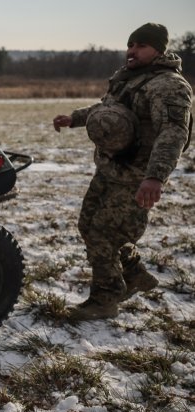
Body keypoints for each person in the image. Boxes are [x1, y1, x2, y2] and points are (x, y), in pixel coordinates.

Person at [52, 22, 192, 321]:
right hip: (109, 169)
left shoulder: (169, 86)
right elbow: (108, 109)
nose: (132, 50)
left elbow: (173, 133)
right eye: (131, 44)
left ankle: (105, 299)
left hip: (137, 176)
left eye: (141, 45)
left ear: (159, 50)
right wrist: (74, 119)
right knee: (88, 224)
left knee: (104, 232)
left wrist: (154, 177)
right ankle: (135, 273)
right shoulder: (129, 78)